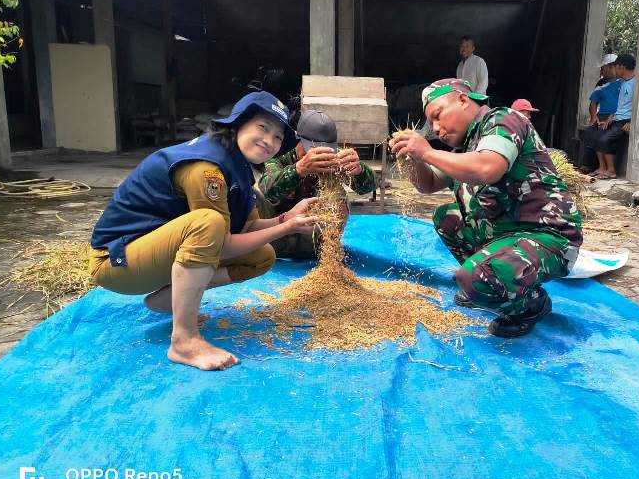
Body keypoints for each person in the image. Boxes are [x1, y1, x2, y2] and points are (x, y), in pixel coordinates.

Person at [88, 92, 318, 371]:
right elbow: (220, 243)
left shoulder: (238, 167)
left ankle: (167, 300)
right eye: (262, 128)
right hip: (117, 262)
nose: (269, 141)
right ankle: (184, 341)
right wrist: (287, 229)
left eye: (278, 137)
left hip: (150, 255)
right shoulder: (206, 167)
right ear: (237, 123)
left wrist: (287, 218)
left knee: (262, 255)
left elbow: (248, 227)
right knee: (207, 223)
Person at [389, 79, 582, 338]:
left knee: (474, 278)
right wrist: (413, 158)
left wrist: (426, 151)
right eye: (431, 124)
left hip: (547, 238)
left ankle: (531, 304)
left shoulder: (505, 119)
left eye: (438, 116)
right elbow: (429, 183)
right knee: (446, 218)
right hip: (506, 234)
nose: (435, 129)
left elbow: (487, 167)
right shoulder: (465, 147)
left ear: (462, 99)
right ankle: (491, 282)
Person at [256, 110, 377, 259]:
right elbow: (266, 190)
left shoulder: (334, 157)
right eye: (311, 149)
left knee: (338, 195)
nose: (317, 157)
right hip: (276, 238)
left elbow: (368, 188)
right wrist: (298, 170)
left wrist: (360, 171)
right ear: (296, 137)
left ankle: (327, 250)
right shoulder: (278, 153)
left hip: (313, 239)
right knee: (257, 196)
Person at [594, 54, 636, 179]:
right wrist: (611, 116)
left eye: (615, 67)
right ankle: (603, 169)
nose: (614, 71)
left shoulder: (635, 84)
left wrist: (632, 122)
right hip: (617, 118)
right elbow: (621, 103)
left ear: (622, 67)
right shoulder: (623, 83)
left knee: (604, 140)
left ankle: (611, 171)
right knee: (599, 135)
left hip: (624, 121)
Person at [581, 54, 620, 174]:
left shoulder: (622, 82)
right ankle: (587, 165)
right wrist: (594, 117)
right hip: (601, 116)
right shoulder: (601, 83)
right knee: (590, 133)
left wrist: (612, 117)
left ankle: (602, 168)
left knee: (601, 136)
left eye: (602, 68)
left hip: (616, 116)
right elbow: (593, 103)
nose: (601, 71)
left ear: (610, 67)